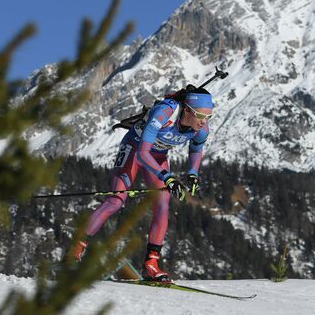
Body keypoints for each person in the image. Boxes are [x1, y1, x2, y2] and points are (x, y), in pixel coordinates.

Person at [72, 87, 213, 282]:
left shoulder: (201, 128)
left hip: (158, 156)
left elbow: (196, 150)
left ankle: (151, 265)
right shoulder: (165, 113)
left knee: (163, 204)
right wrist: (168, 178)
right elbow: (142, 154)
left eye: (208, 116)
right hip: (135, 149)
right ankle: (75, 250)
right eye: (200, 115)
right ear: (187, 110)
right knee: (116, 200)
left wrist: (192, 174)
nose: (204, 121)